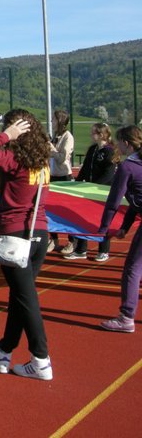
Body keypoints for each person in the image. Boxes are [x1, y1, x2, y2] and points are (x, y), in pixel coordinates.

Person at [0, 109, 53, 381]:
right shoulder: (42, 162)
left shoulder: (13, 160)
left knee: (26, 298)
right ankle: (4, 350)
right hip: (39, 234)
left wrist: (7, 135)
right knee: (20, 296)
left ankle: (41, 359)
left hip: (15, 234)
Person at [94, 126, 142, 332]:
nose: (117, 146)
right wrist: (125, 226)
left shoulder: (127, 167)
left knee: (133, 268)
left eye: (119, 142)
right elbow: (136, 201)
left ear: (127, 144)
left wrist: (103, 228)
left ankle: (126, 317)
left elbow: (114, 202)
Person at [67, 123, 117, 261]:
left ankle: (103, 251)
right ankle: (81, 250)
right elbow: (85, 169)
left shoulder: (109, 151)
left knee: (102, 221)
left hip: (102, 192)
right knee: (82, 219)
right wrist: (77, 182)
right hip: (87, 191)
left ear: (101, 134)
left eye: (93, 132)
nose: (91, 134)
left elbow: (109, 173)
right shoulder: (92, 149)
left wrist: (95, 186)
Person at [49, 110, 75, 253]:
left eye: (53, 119)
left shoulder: (67, 136)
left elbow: (61, 158)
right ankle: (53, 239)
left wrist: (50, 147)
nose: (51, 121)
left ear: (60, 121)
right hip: (52, 175)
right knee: (50, 210)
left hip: (64, 176)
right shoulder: (55, 135)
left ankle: (71, 241)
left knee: (66, 211)